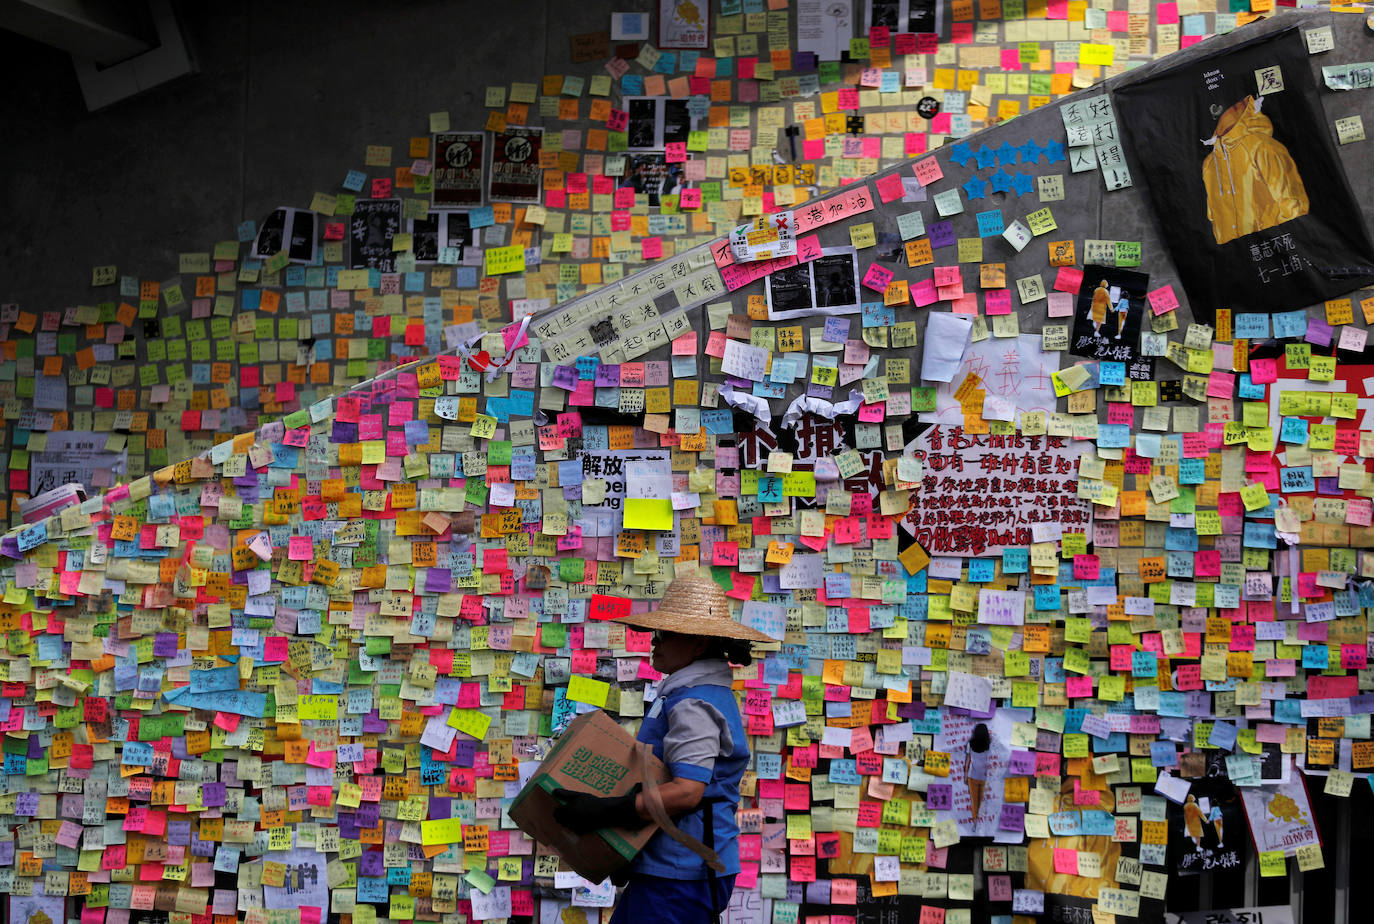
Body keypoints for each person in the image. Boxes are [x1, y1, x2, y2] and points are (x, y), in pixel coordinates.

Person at [550, 575, 772, 924]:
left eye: (665, 634)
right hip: (675, 865)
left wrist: (606, 811)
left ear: (698, 644)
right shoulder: (687, 694)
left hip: (679, 870)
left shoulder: (694, 703)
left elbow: (687, 792)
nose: (655, 642)